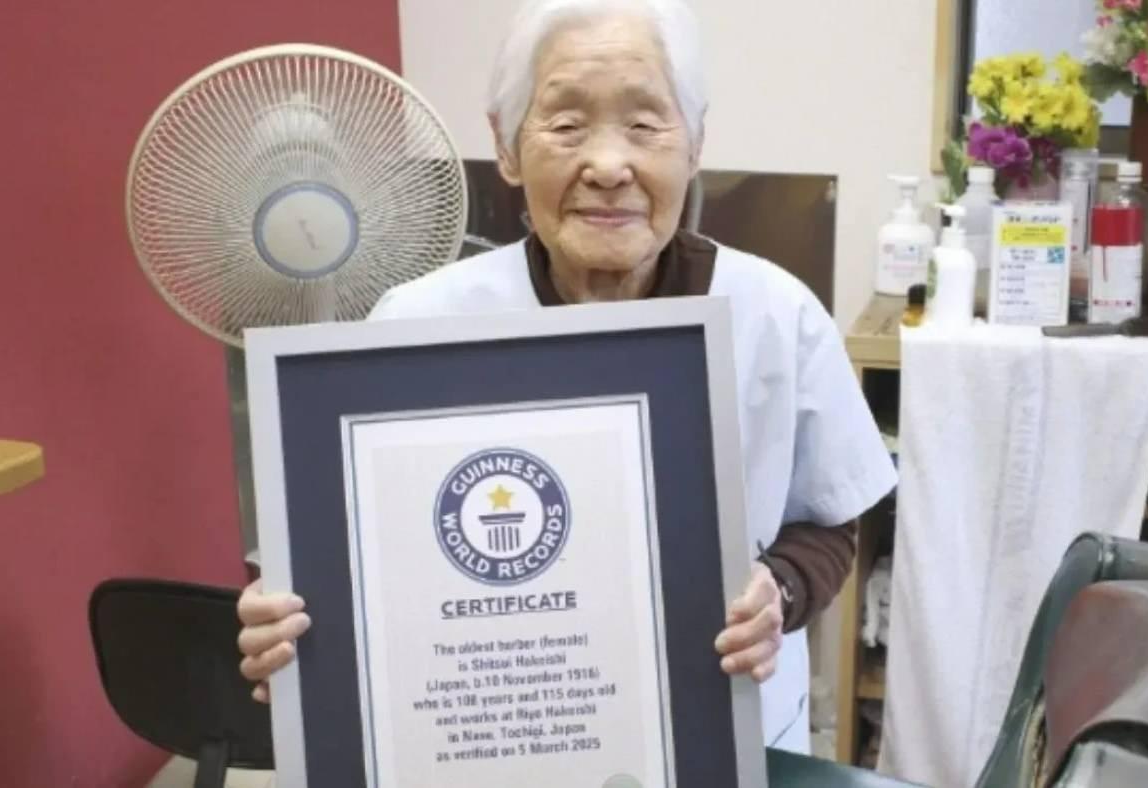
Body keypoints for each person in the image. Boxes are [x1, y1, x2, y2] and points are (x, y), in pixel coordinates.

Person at [236, 0, 896, 755]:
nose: (608, 166)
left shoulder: (775, 313)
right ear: (506, 146)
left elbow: (830, 519)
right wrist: (295, 632)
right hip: (489, 738)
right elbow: (359, 554)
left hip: (723, 733)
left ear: (694, 144)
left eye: (644, 124)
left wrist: (779, 590)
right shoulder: (416, 325)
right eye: (567, 124)